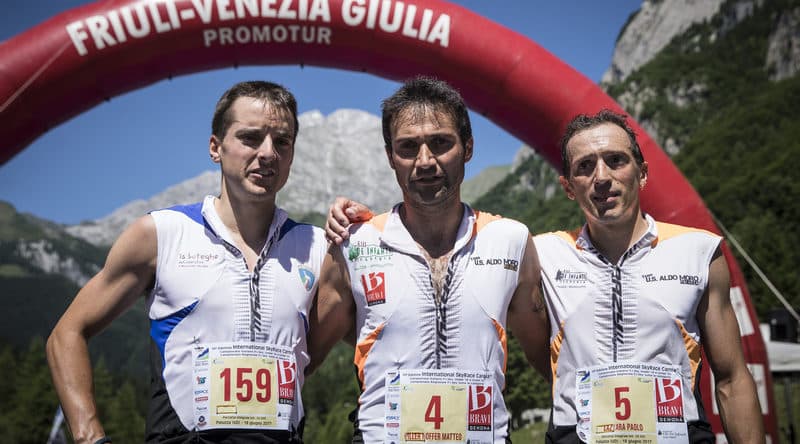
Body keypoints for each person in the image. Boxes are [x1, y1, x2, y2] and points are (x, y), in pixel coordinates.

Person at [326, 109, 765, 444]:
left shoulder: (699, 251)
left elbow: (732, 378)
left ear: (643, 172)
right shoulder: (536, 250)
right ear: (568, 187)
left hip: (678, 434)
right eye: (585, 167)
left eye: (616, 161)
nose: (602, 178)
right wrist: (365, 224)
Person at [46, 81, 327, 444]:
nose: (268, 153)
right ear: (215, 147)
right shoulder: (160, 234)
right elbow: (66, 334)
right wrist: (90, 437)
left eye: (282, 141)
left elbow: (378, 335)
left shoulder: (317, 247)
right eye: (251, 138)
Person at [308, 76, 550, 443]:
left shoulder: (511, 241)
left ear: (468, 148)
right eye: (408, 147)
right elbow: (303, 356)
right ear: (390, 157)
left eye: (440, 143)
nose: (425, 161)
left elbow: (550, 362)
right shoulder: (354, 243)